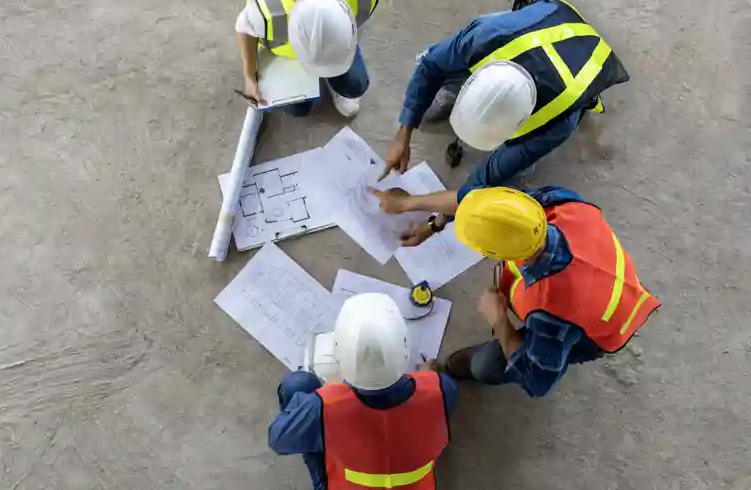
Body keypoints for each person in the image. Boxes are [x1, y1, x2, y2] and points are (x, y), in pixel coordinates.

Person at [376, 185, 660, 398]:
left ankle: (454, 370)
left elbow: (538, 381)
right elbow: (479, 206)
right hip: (598, 281)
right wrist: (433, 223)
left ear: (493, 253)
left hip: (599, 328)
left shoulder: (553, 311)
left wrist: (499, 320)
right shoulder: (553, 205)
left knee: (486, 366)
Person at [379, 0, 630, 182]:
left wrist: (435, 219)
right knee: (447, 58)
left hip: (580, 55)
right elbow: (431, 67)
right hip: (538, 23)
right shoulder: (487, 37)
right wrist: (403, 134)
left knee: (519, 166)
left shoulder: (556, 122)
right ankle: (453, 89)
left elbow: (488, 176)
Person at [269, 293, 458, 490]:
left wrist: (327, 391)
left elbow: (279, 440)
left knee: (298, 384)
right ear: (404, 347)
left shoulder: (322, 408)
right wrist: (428, 377)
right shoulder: (442, 388)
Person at [236, 0, 382, 118]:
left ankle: (337, 79)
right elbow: (243, 28)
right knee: (297, 108)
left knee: (355, 85)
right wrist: (249, 76)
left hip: (337, 47)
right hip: (286, 56)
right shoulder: (266, 12)